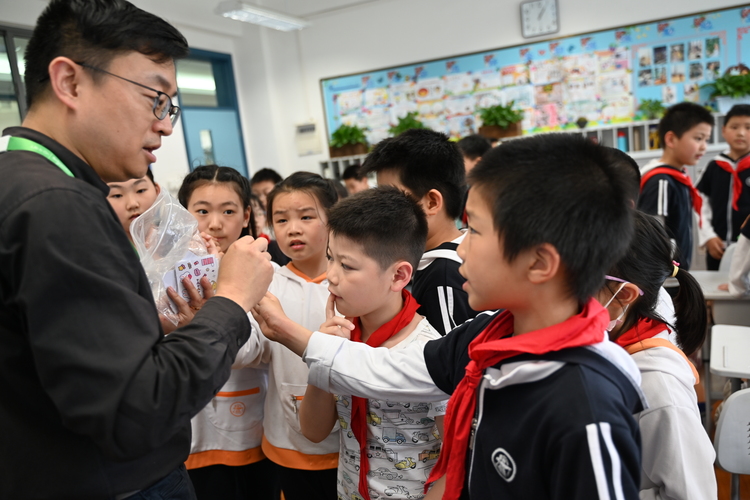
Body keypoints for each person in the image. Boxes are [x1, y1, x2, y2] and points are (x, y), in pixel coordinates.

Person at [253, 133, 644, 500]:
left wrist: (287, 330)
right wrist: (287, 330)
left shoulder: (586, 408)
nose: (460, 249)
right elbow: (388, 368)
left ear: (539, 263)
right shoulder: (484, 336)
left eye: (475, 230)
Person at [0, 1, 274, 498]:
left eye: (171, 107)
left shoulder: (19, 184)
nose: (165, 125)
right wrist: (232, 298)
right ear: (70, 82)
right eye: (155, 98)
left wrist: (143, 328)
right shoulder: (58, 205)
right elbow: (136, 412)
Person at [290, 187, 447, 500]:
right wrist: (323, 355)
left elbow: (455, 460)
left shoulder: (428, 352)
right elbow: (313, 431)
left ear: (398, 276)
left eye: (347, 266)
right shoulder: (339, 336)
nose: (330, 276)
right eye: (330, 258)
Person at [233, 172, 340, 500]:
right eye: (281, 219)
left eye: (306, 217)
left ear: (333, 218)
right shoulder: (268, 283)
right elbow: (249, 350)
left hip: (347, 443)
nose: (293, 228)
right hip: (286, 442)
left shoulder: (348, 282)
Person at [597, 211, 716, 500]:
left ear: (622, 295)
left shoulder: (661, 393)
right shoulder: (614, 336)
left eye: (575, 280)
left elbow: (692, 495)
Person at [176, 165, 274, 500]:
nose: (215, 223)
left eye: (228, 211)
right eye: (202, 211)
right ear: (183, 215)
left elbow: (257, 349)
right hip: (189, 436)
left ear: (246, 215)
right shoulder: (167, 275)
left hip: (248, 434)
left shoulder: (265, 272)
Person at [362, 128, 476, 335]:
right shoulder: (463, 246)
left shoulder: (443, 278)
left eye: (392, 199)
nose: (382, 210)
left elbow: (448, 352)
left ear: (432, 202)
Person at [637, 102, 714, 270]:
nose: (704, 147)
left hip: (677, 272)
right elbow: (653, 236)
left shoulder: (679, 177)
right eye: (698, 138)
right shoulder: (661, 181)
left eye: (706, 140)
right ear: (671, 139)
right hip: (665, 276)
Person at [697, 104, 750, 269]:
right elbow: (700, 204)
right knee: (717, 282)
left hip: (748, 248)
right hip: (718, 247)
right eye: (734, 127)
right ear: (724, 130)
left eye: (748, 128)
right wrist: (708, 236)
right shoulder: (714, 166)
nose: (741, 133)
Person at [107, 167, 161, 244]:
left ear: (157, 191)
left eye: (140, 190)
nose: (132, 204)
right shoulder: (99, 248)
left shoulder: (174, 241)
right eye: (117, 195)